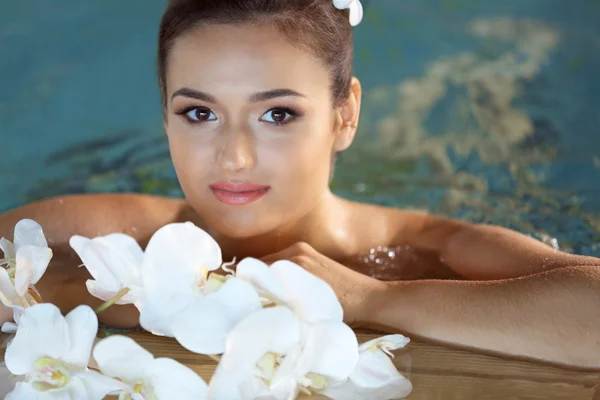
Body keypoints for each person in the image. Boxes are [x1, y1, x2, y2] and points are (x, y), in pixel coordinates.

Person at [1, 0, 599, 369]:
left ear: (346, 117)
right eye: (199, 113)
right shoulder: (114, 235)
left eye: (278, 114)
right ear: (164, 116)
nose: (233, 158)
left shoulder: (425, 250)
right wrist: (85, 293)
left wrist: (369, 297)